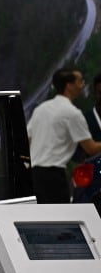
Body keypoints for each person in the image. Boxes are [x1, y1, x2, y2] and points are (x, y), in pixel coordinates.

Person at [27, 67, 101, 203]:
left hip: (34, 176)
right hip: (54, 177)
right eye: (80, 81)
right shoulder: (72, 114)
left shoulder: (40, 109)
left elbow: (28, 140)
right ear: (69, 86)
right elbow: (91, 148)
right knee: (59, 218)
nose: (83, 85)